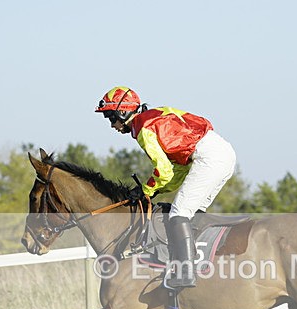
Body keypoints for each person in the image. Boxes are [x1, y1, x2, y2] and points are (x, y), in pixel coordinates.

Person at [95, 86, 236, 288]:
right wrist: (157, 190)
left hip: (209, 158)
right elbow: (177, 171)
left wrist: (145, 190)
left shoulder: (142, 128)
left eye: (111, 118)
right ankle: (199, 265)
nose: (112, 125)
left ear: (123, 112)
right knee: (193, 213)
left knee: (179, 213)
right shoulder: (155, 115)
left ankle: (185, 273)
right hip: (222, 152)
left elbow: (164, 171)